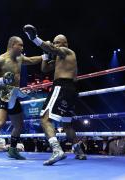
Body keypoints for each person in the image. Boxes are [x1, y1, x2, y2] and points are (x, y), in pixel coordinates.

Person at [0, 36, 43, 168]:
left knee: (19, 125)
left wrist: (45, 57)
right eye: (20, 45)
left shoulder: (20, 58)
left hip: (14, 94)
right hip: (2, 93)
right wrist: (1, 80)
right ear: (12, 45)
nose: (22, 48)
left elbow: (32, 60)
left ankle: (12, 150)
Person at [23, 24, 87, 165]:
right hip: (71, 90)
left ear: (64, 43)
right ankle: (79, 151)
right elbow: (45, 68)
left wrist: (35, 39)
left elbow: (51, 48)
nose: (54, 44)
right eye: (54, 42)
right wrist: (46, 54)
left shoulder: (66, 51)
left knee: (44, 118)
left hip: (62, 87)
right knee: (67, 125)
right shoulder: (60, 58)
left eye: (57, 42)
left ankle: (57, 150)